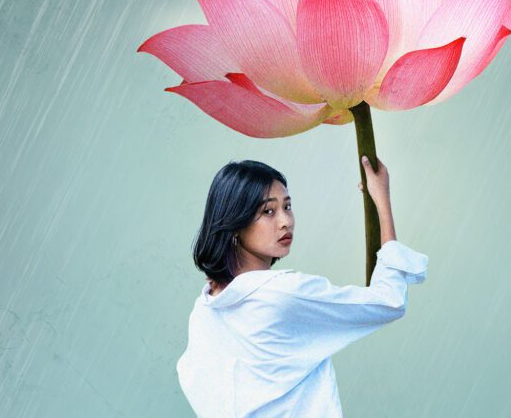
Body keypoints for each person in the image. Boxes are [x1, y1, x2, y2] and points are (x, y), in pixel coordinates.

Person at [176, 155, 428, 417]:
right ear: (235, 223)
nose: (286, 221)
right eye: (268, 211)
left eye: (287, 206)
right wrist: (382, 202)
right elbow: (389, 300)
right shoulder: (282, 294)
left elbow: (195, 380)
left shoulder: (206, 308)